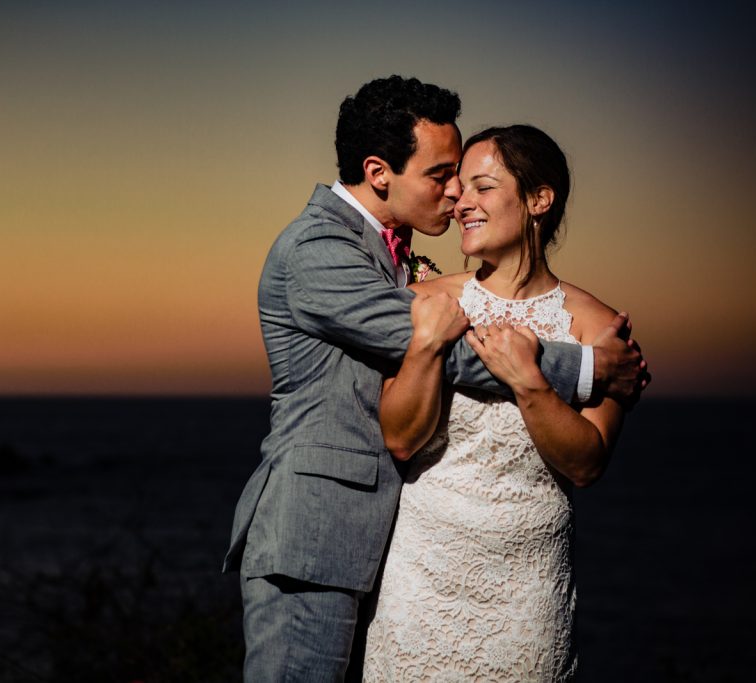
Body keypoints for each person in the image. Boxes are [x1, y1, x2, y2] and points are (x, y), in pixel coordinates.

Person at [223, 77, 647, 682]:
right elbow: (446, 352)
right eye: (442, 175)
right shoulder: (319, 250)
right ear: (379, 172)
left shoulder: (398, 259)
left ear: (539, 200)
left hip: (422, 560)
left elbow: (585, 462)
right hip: (315, 541)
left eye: (472, 181)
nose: (454, 195)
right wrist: (585, 367)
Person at [362, 124, 627, 680]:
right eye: (460, 189)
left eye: (483, 187)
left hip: (526, 598)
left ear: (539, 199)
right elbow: (401, 437)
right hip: (420, 585)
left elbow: (586, 463)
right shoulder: (424, 301)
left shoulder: (598, 328)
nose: (462, 203)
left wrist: (530, 382)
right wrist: (428, 346)